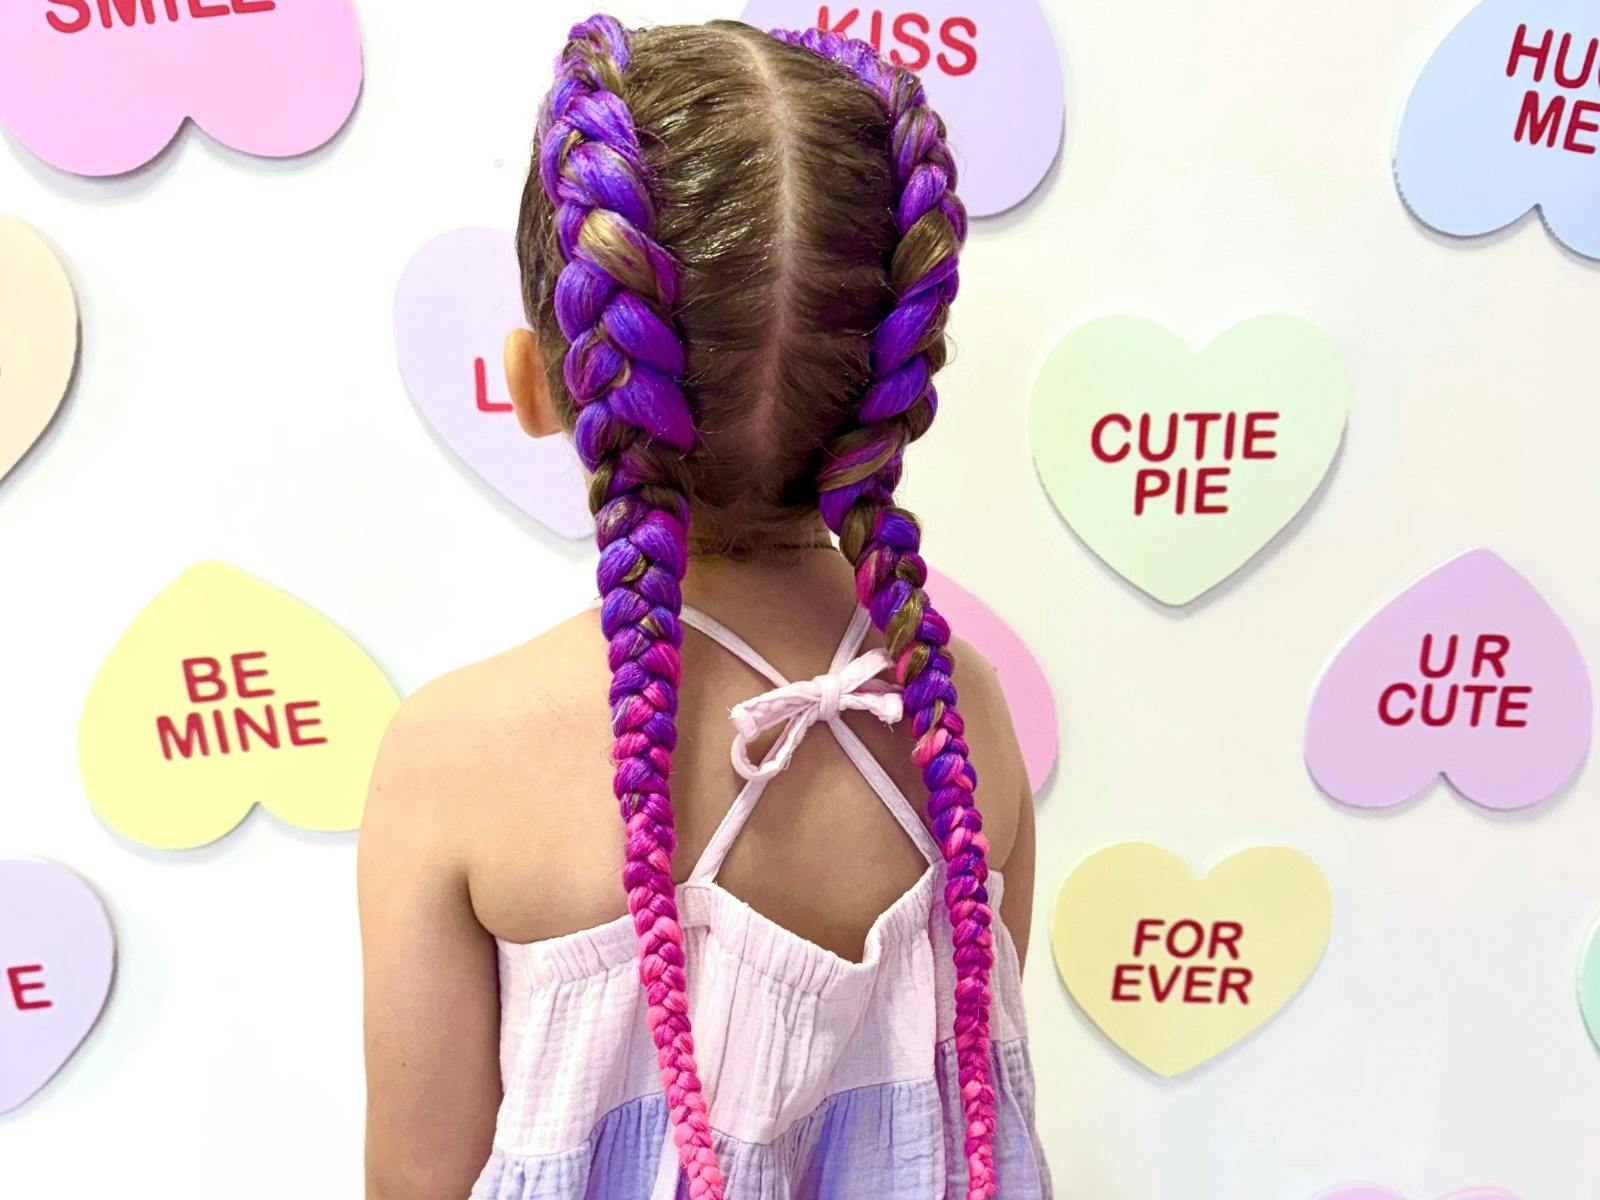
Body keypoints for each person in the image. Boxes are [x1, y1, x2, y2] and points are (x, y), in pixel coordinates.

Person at [359, 16, 1050, 1200]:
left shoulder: (459, 755)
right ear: (893, 387)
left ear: (538, 382)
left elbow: (414, 1182)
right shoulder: (962, 714)